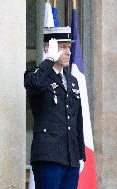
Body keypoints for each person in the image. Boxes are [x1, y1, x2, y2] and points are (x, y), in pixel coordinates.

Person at [24, 27, 86, 189]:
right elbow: (34, 83)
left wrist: (80, 154)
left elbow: (77, 118)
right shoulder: (35, 74)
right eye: (62, 47)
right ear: (48, 48)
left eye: (69, 47)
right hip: (48, 156)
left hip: (71, 157)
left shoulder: (72, 81)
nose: (68, 52)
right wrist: (50, 58)